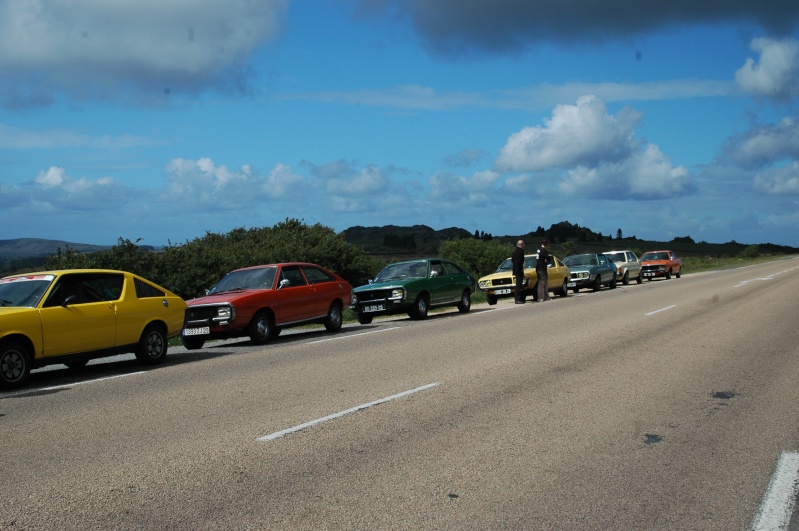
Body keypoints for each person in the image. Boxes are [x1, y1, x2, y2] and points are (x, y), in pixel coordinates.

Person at [512, 239, 526, 304]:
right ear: (521, 245)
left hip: (516, 270)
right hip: (519, 270)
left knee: (519, 285)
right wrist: (520, 269)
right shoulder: (520, 252)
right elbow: (520, 261)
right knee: (518, 285)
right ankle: (517, 299)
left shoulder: (515, 251)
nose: (524, 245)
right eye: (523, 244)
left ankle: (520, 298)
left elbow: (512, 260)